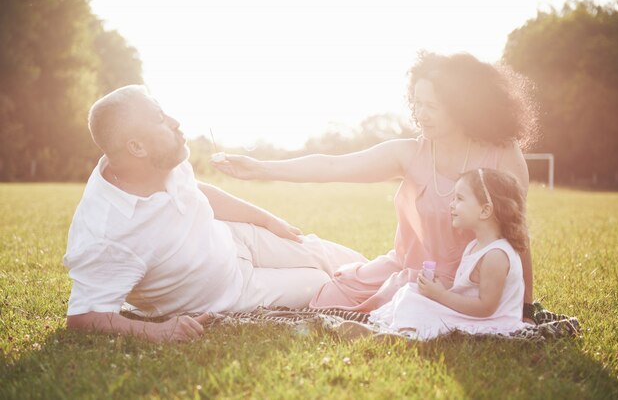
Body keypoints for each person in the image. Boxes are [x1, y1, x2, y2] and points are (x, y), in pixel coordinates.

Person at [212, 51, 538, 321]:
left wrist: (525, 309)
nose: (421, 115)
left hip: (470, 288)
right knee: (330, 297)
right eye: (417, 104)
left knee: (411, 313)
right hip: (411, 274)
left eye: (433, 106)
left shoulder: (502, 153)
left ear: (460, 106)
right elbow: (332, 165)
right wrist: (260, 168)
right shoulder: (409, 152)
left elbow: (516, 236)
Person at [63, 85, 367, 342]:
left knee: (341, 260)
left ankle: (407, 286)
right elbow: (84, 317)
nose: (175, 122)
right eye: (159, 119)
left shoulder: (160, 159)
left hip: (239, 240)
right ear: (136, 147)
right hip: (234, 291)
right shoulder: (107, 233)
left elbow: (196, 191)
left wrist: (267, 220)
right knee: (319, 284)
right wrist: (161, 332)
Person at [366, 168, 530, 340]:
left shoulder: (496, 255)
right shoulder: (475, 246)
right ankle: (388, 328)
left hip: (493, 323)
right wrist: (438, 285)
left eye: (459, 199)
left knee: (412, 302)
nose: (451, 205)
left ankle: (400, 333)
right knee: (410, 292)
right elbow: (467, 290)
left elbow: (485, 307)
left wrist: (440, 295)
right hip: (474, 315)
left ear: (485, 210)